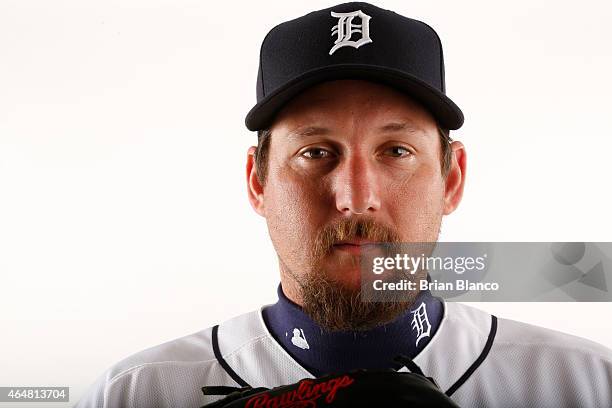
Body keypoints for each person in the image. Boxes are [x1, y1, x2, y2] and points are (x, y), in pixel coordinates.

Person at [75, 2, 612, 407]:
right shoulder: (138, 393)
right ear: (256, 181)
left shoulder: (584, 384)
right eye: (315, 152)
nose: (357, 196)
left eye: (396, 151)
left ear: (453, 179)